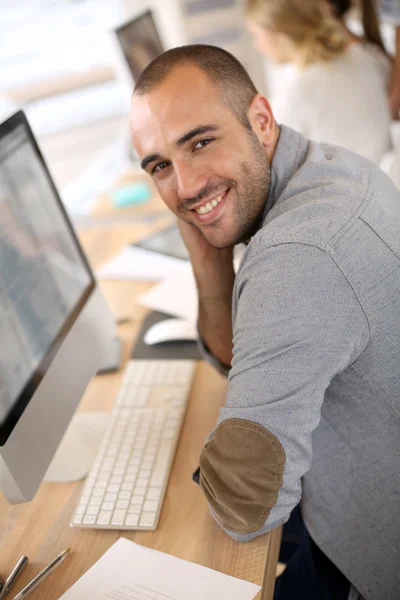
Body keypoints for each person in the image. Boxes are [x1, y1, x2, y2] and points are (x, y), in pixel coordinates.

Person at [129, 45, 400, 600]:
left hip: (368, 553)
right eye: (160, 166)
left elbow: (247, 509)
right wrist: (206, 249)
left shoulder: (298, 255)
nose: (183, 185)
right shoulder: (331, 165)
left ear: (260, 120)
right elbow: (241, 355)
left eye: (200, 142)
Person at [245, 0, 392, 165]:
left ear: (278, 35)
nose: (256, 45)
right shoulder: (369, 58)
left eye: (255, 35)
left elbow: (275, 164)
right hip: (385, 178)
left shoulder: (297, 93)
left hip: (346, 185)